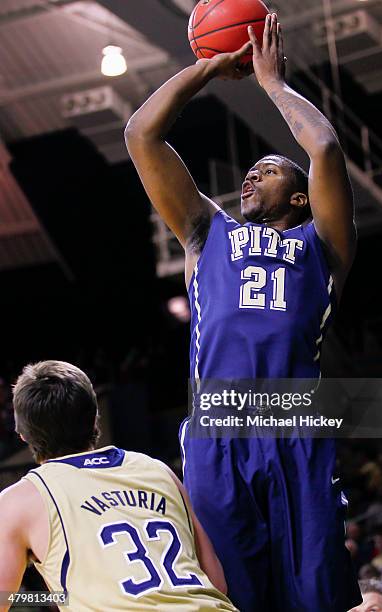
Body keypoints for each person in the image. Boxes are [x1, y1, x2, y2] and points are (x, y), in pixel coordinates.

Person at [125, 12, 359, 612]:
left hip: (294, 425)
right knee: (234, 599)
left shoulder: (322, 247)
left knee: (318, 597)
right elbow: (141, 134)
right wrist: (205, 67)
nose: (253, 172)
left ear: (301, 197)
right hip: (219, 430)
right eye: (251, 168)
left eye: (272, 169)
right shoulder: (207, 233)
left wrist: (271, 83)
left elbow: (326, 146)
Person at [0, 361, 237, 612]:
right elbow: (216, 582)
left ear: (22, 434)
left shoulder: (20, 499)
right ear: (94, 418)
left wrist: (55, 598)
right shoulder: (158, 470)